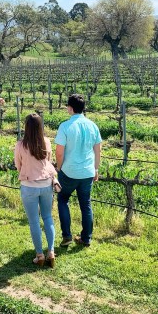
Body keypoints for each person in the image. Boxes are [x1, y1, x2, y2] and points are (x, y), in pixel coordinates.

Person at [54, 94, 102, 248]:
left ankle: (67, 236)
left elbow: (59, 152)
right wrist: (96, 169)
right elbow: (98, 150)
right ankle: (86, 238)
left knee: (63, 199)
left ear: (70, 108)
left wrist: (59, 168)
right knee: (86, 204)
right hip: (87, 171)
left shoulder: (65, 126)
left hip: (69, 171)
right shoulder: (92, 125)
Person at [14, 113, 57, 268]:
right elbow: (49, 161)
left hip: (29, 186)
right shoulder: (46, 141)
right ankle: (51, 252)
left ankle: (39, 255)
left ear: (26, 127)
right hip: (46, 184)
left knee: (34, 221)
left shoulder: (20, 145)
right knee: (47, 217)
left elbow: (18, 166)